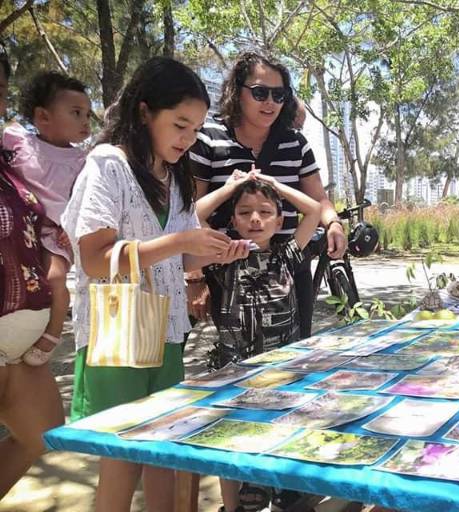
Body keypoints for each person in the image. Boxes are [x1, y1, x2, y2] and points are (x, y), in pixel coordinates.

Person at [61, 57, 248, 512]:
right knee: (122, 457)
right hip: (116, 336)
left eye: (195, 129)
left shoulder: (175, 177)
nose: (187, 139)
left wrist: (217, 251)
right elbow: (94, 259)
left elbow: (179, 255)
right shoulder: (108, 165)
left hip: (165, 332)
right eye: (179, 124)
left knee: (164, 450)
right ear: (145, 112)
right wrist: (181, 240)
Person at [189, 51, 347, 339]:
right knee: (233, 348)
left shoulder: (295, 143)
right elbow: (188, 211)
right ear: (238, 92)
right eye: (261, 93)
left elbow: (319, 200)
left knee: (294, 345)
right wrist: (195, 277)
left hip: (286, 263)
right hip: (223, 268)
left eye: (279, 94)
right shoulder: (209, 137)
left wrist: (333, 223)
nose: (270, 102)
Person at [196, 169, 321, 512]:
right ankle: (232, 503)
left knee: (282, 429)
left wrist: (274, 185)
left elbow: (313, 210)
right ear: (233, 219)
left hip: (284, 370)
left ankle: (282, 487)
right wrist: (232, 187)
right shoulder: (221, 255)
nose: (255, 219)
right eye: (244, 212)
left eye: (266, 212)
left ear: (280, 219)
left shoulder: (287, 254)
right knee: (231, 436)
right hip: (234, 371)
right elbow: (192, 216)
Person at [0, 50, 65, 501]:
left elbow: (43, 225)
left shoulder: (12, 160)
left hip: (22, 339)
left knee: (42, 432)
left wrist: (55, 256)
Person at [2, 71, 91, 365]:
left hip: (55, 233)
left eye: (88, 114)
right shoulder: (18, 142)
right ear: (42, 117)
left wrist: (74, 227)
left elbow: (86, 200)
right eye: (76, 113)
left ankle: (52, 334)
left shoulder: (83, 161)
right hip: (21, 225)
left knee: (54, 277)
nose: (86, 121)